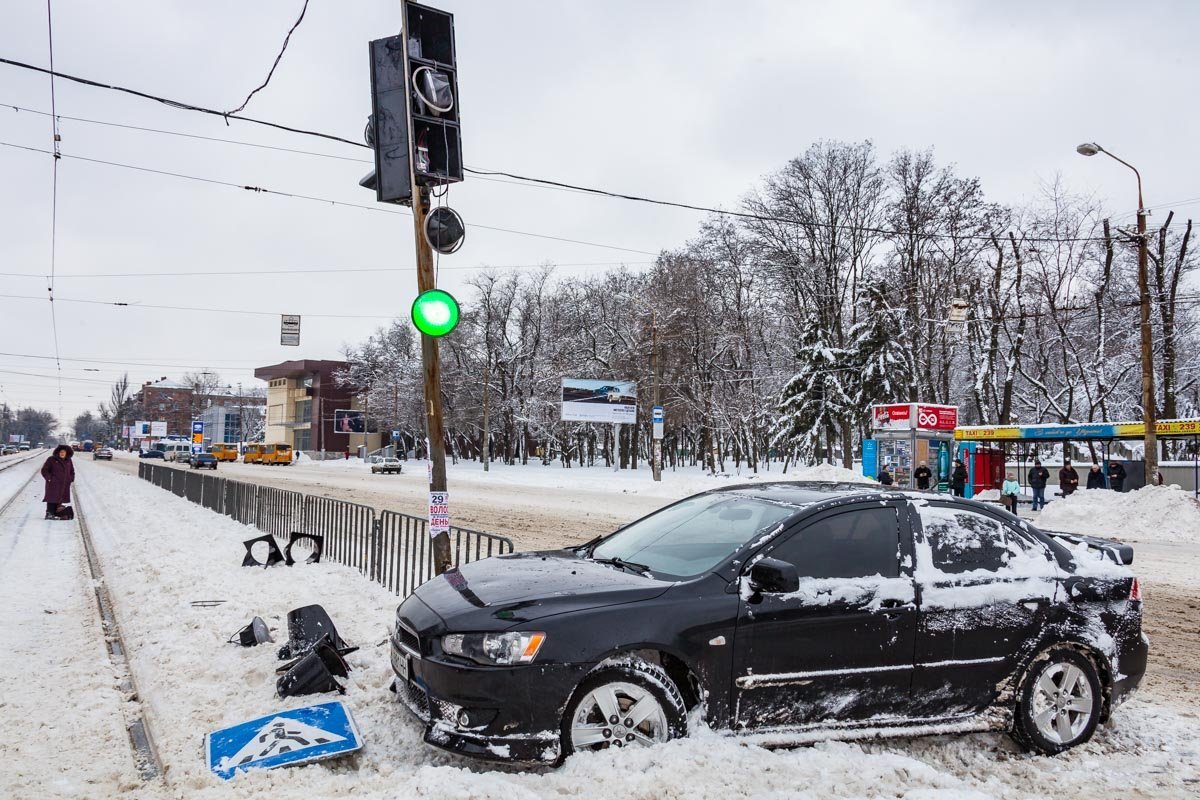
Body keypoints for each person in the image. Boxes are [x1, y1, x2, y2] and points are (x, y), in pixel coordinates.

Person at [41, 443, 75, 520]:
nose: (62, 454)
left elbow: (72, 471)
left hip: (64, 484)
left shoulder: (68, 461)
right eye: (61, 452)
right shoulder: (51, 459)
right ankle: (49, 513)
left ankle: (56, 512)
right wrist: (49, 478)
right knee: (52, 498)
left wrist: (71, 478)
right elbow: (44, 470)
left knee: (60, 498)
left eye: (64, 452)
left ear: (67, 453)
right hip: (53, 483)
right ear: (58, 452)